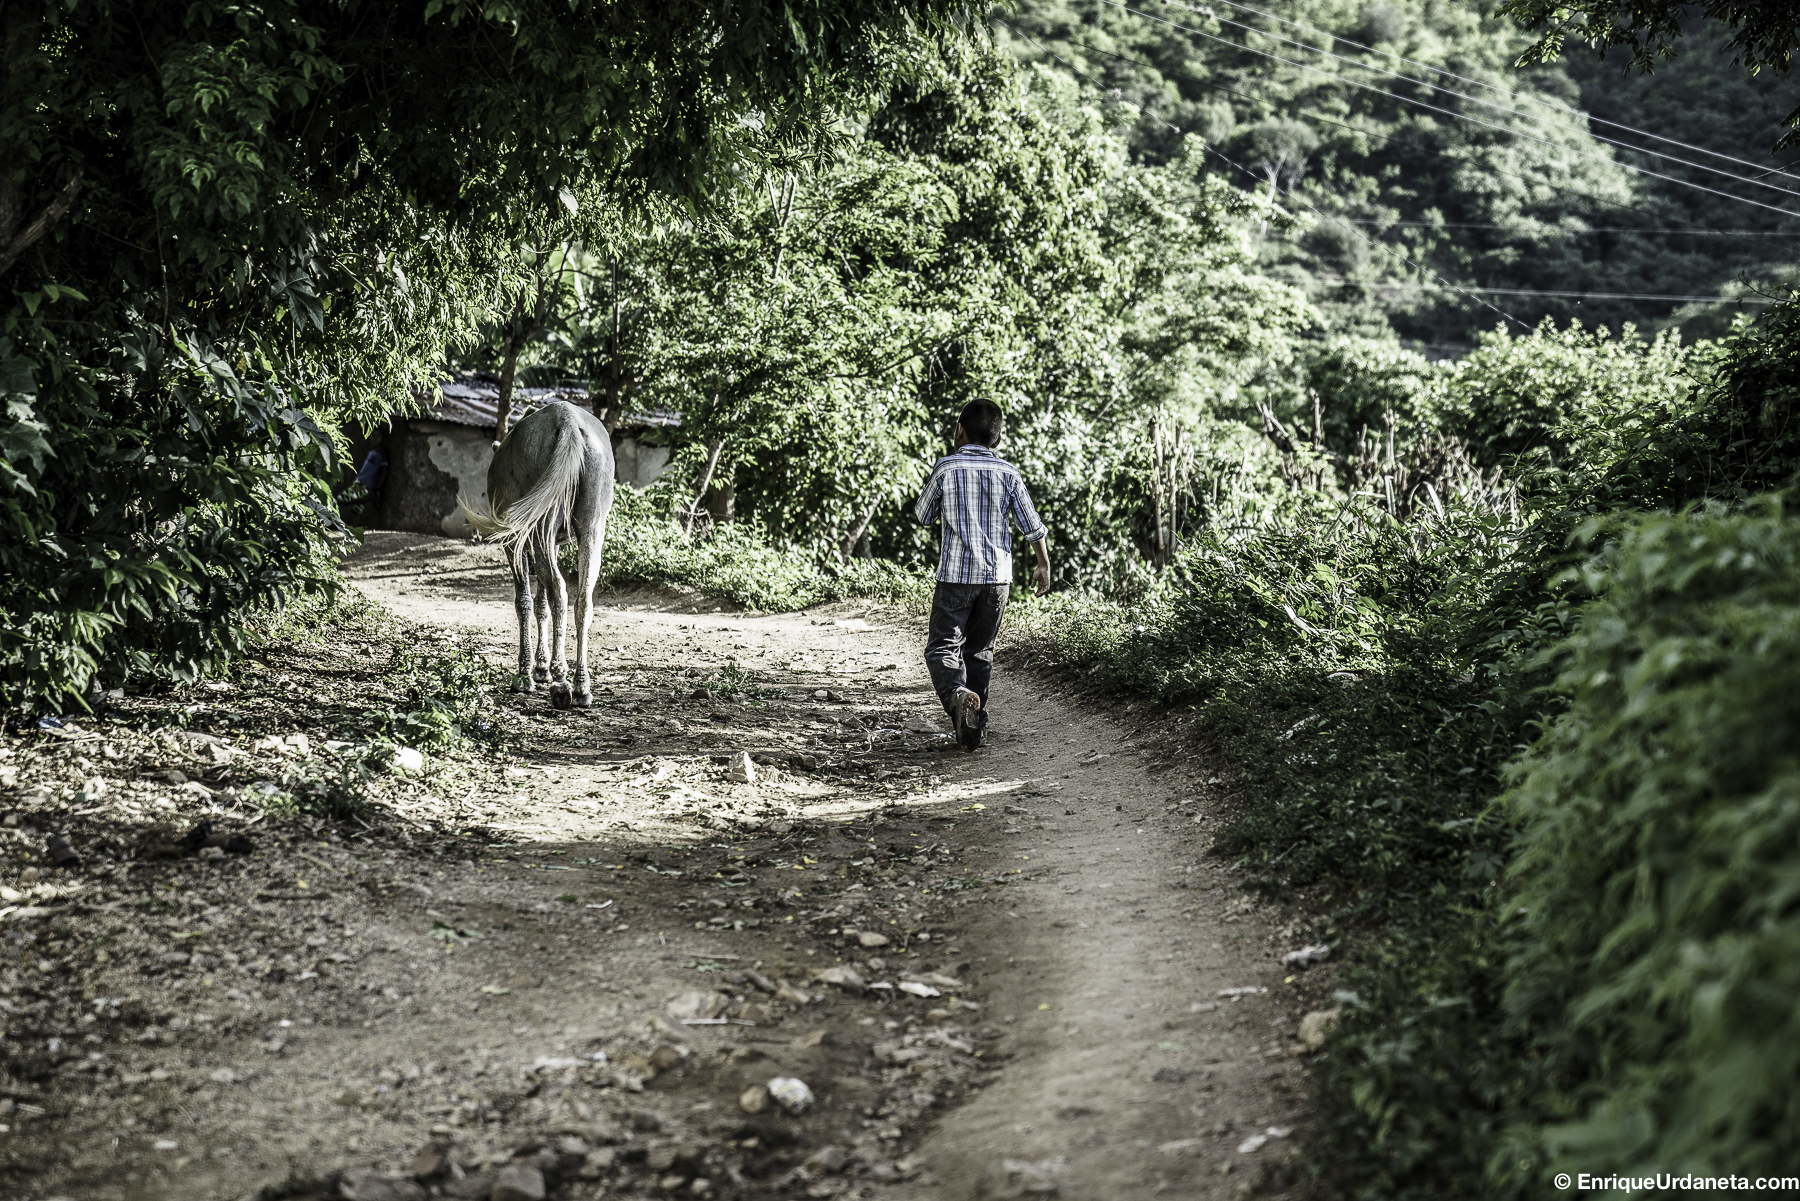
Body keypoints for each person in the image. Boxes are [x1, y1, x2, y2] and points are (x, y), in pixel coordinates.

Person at [913, 399, 1052, 751]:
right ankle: (976, 721)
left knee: (943, 647)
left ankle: (959, 697)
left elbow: (923, 516)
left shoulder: (946, 468)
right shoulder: (1009, 473)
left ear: (959, 431)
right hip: (996, 580)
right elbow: (1033, 528)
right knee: (979, 652)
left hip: (956, 575)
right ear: (998, 440)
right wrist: (1043, 565)